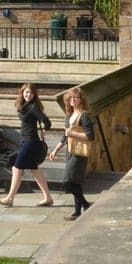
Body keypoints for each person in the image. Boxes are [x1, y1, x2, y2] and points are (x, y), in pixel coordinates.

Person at [0, 82, 56, 207]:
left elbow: (47, 122)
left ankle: (10, 198)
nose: (28, 95)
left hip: (30, 143)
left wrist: (44, 130)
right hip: (26, 141)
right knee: (35, 170)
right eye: (26, 92)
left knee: (16, 168)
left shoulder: (32, 107)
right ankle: (48, 198)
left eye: (31, 92)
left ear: (34, 94)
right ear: (22, 93)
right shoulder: (25, 106)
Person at [49, 89, 97, 220]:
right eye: (71, 98)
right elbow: (65, 136)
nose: (73, 100)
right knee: (75, 182)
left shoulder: (84, 115)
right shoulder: (69, 115)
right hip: (70, 151)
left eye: (76, 97)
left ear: (81, 100)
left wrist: (72, 133)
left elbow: (90, 136)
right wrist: (55, 151)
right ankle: (77, 212)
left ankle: (86, 204)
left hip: (79, 153)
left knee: (67, 182)